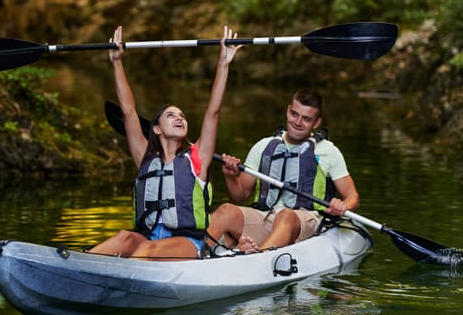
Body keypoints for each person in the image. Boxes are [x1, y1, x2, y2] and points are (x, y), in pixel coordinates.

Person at [89, 25, 242, 259]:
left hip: (187, 243)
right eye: (171, 115)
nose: (179, 118)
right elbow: (129, 112)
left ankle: (120, 273)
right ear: (157, 129)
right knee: (124, 238)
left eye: (182, 115)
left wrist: (224, 63)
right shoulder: (145, 158)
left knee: (146, 250)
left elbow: (213, 112)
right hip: (147, 238)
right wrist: (117, 62)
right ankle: (78, 264)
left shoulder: (197, 157)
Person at [207, 89, 359, 252]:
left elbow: (353, 197)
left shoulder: (328, 151)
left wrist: (342, 205)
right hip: (264, 217)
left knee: (285, 215)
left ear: (316, 123)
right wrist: (230, 176)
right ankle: (190, 254)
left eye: (306, 119)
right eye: (294, 114)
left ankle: (256, 259)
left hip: (303, 219)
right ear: (288, 111)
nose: (298, 122)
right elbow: (240, 195)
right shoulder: (263, 146)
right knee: (225, 210)